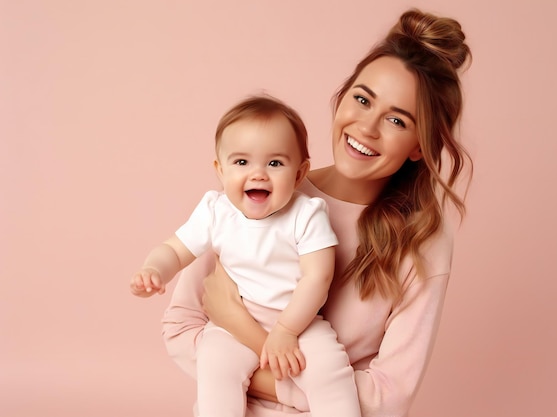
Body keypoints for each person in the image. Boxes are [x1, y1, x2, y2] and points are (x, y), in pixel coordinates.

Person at [162, 7, 472, 417]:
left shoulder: (422, 241)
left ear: (419, 145)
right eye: (362, 99)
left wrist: (241, 329)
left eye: (396, 120)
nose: (366, 128)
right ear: (342, 96)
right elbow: (182, 328)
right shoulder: (264, 189)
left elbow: (388, 396)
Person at [131, 95, 361, 417]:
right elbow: (175, 248)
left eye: (275, 163)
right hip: (236, 320)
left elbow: (318, 277)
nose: (258, 174)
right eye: (241, 163)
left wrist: (287, 330)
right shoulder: (216, 211)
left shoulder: (306, 214)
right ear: (220, 170)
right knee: (214, 362)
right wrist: (154, 268)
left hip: (299, 322)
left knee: (330, 372)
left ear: (299, 174)